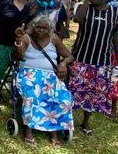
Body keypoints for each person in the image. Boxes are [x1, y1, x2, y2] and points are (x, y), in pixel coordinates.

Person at [69, 0, 118, 134]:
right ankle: (68, 119)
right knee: (76, 89)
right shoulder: (85, 8)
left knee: (93, 93)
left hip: (102, 60)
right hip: (81, 57)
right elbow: (77, 20)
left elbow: (116, 35)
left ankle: (86, 122)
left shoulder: (114, 11)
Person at [13, 16, 75, 148]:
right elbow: (18, 56)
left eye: (44, 27)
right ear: (33, 27)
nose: (40, 30)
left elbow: (70, 56)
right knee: (32, 96)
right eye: (38, 27)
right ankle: (27, 130)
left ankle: (53, 131)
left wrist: (63, 63)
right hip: (29, 74)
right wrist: (18, 41)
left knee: (63, 99)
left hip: (51, 76)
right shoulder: (26, 38)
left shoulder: (54, 39)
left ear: (50, 29)